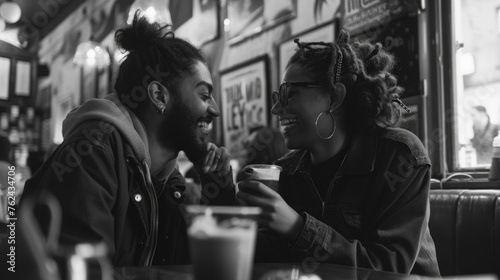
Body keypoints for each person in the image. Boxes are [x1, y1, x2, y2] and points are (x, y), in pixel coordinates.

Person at [20, 11, 234, 267]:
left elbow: (196, 269)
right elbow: (85, 270)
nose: (215, 109)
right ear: (159, 96)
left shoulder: (168, 181)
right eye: (204, 95)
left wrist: (219, 194)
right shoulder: (92, 152)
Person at [237, 31, 440, 276]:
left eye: (289, 93)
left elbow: (389, 269)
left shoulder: (399, 157)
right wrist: (235, 207)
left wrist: (297, 227)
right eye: (277, 96)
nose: (276, 108)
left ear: (335, 97)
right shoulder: (286, 172)